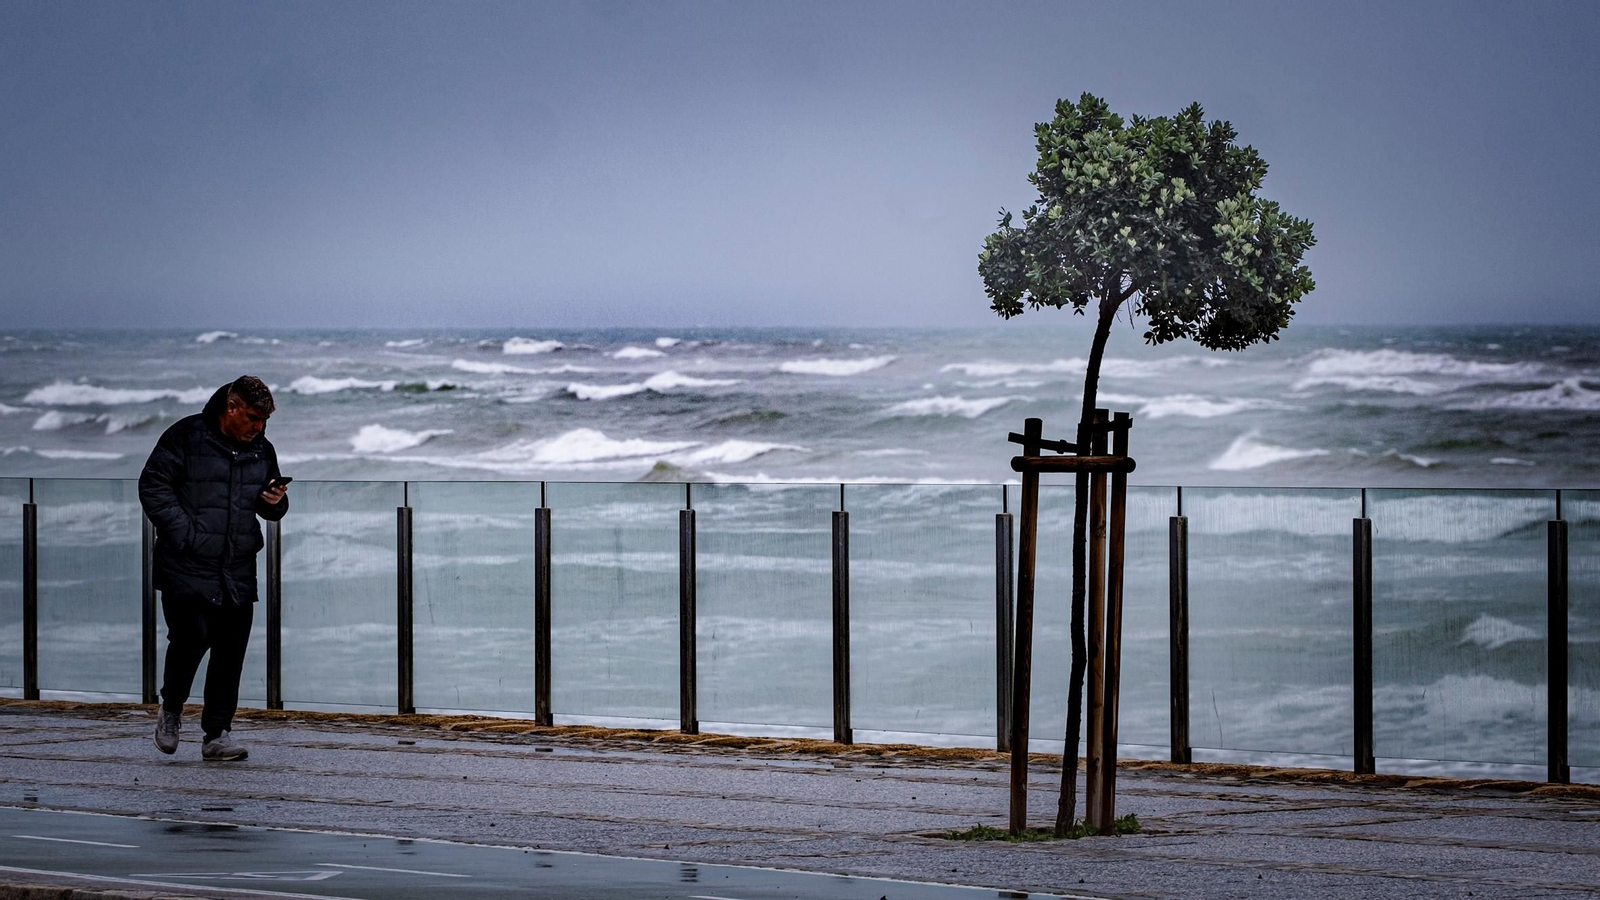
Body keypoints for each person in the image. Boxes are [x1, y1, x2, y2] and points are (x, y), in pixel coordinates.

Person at [138, 375, 288, 761]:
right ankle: (171, 710)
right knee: (190, 638)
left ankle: (217, 734)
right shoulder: (186, 436)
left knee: (230, 649)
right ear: (231, 408)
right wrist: (184, 533)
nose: (258, 427)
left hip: (236, 565)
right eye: (253, 418)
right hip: (185, 562)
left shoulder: (261, 449)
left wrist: (274, 501)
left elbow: (269, 506)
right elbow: (152, 485)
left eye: (264, 421)